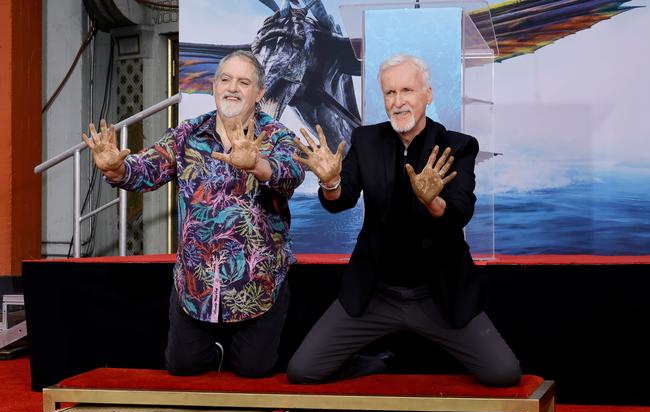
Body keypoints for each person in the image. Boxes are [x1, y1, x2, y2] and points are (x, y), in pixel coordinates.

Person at [287, 54, 520, 386]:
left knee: (504, 374)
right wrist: (330, 181)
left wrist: (432, 200)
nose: (398, 102)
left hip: (437, 295)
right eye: (389, 93)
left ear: (427, 94)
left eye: (407, 90)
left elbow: (460, 210)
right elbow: (342, 200)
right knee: (302, 371)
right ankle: (373, 363)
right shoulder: (366, 141)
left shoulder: (457, 146)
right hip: (376, 294)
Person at [82, 50, 305, 377]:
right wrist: (117, 169)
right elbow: (148, 170)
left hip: (258, 284)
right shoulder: (187, 134)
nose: (232, 88)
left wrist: (257, 164)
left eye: (243, 82)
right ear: (213, 87)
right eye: (225, 79)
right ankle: (215, 350)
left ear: (259, 93)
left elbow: (290, 175)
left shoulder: (277, 137)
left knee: (253, 369)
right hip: (196, 280)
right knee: (182, 366)